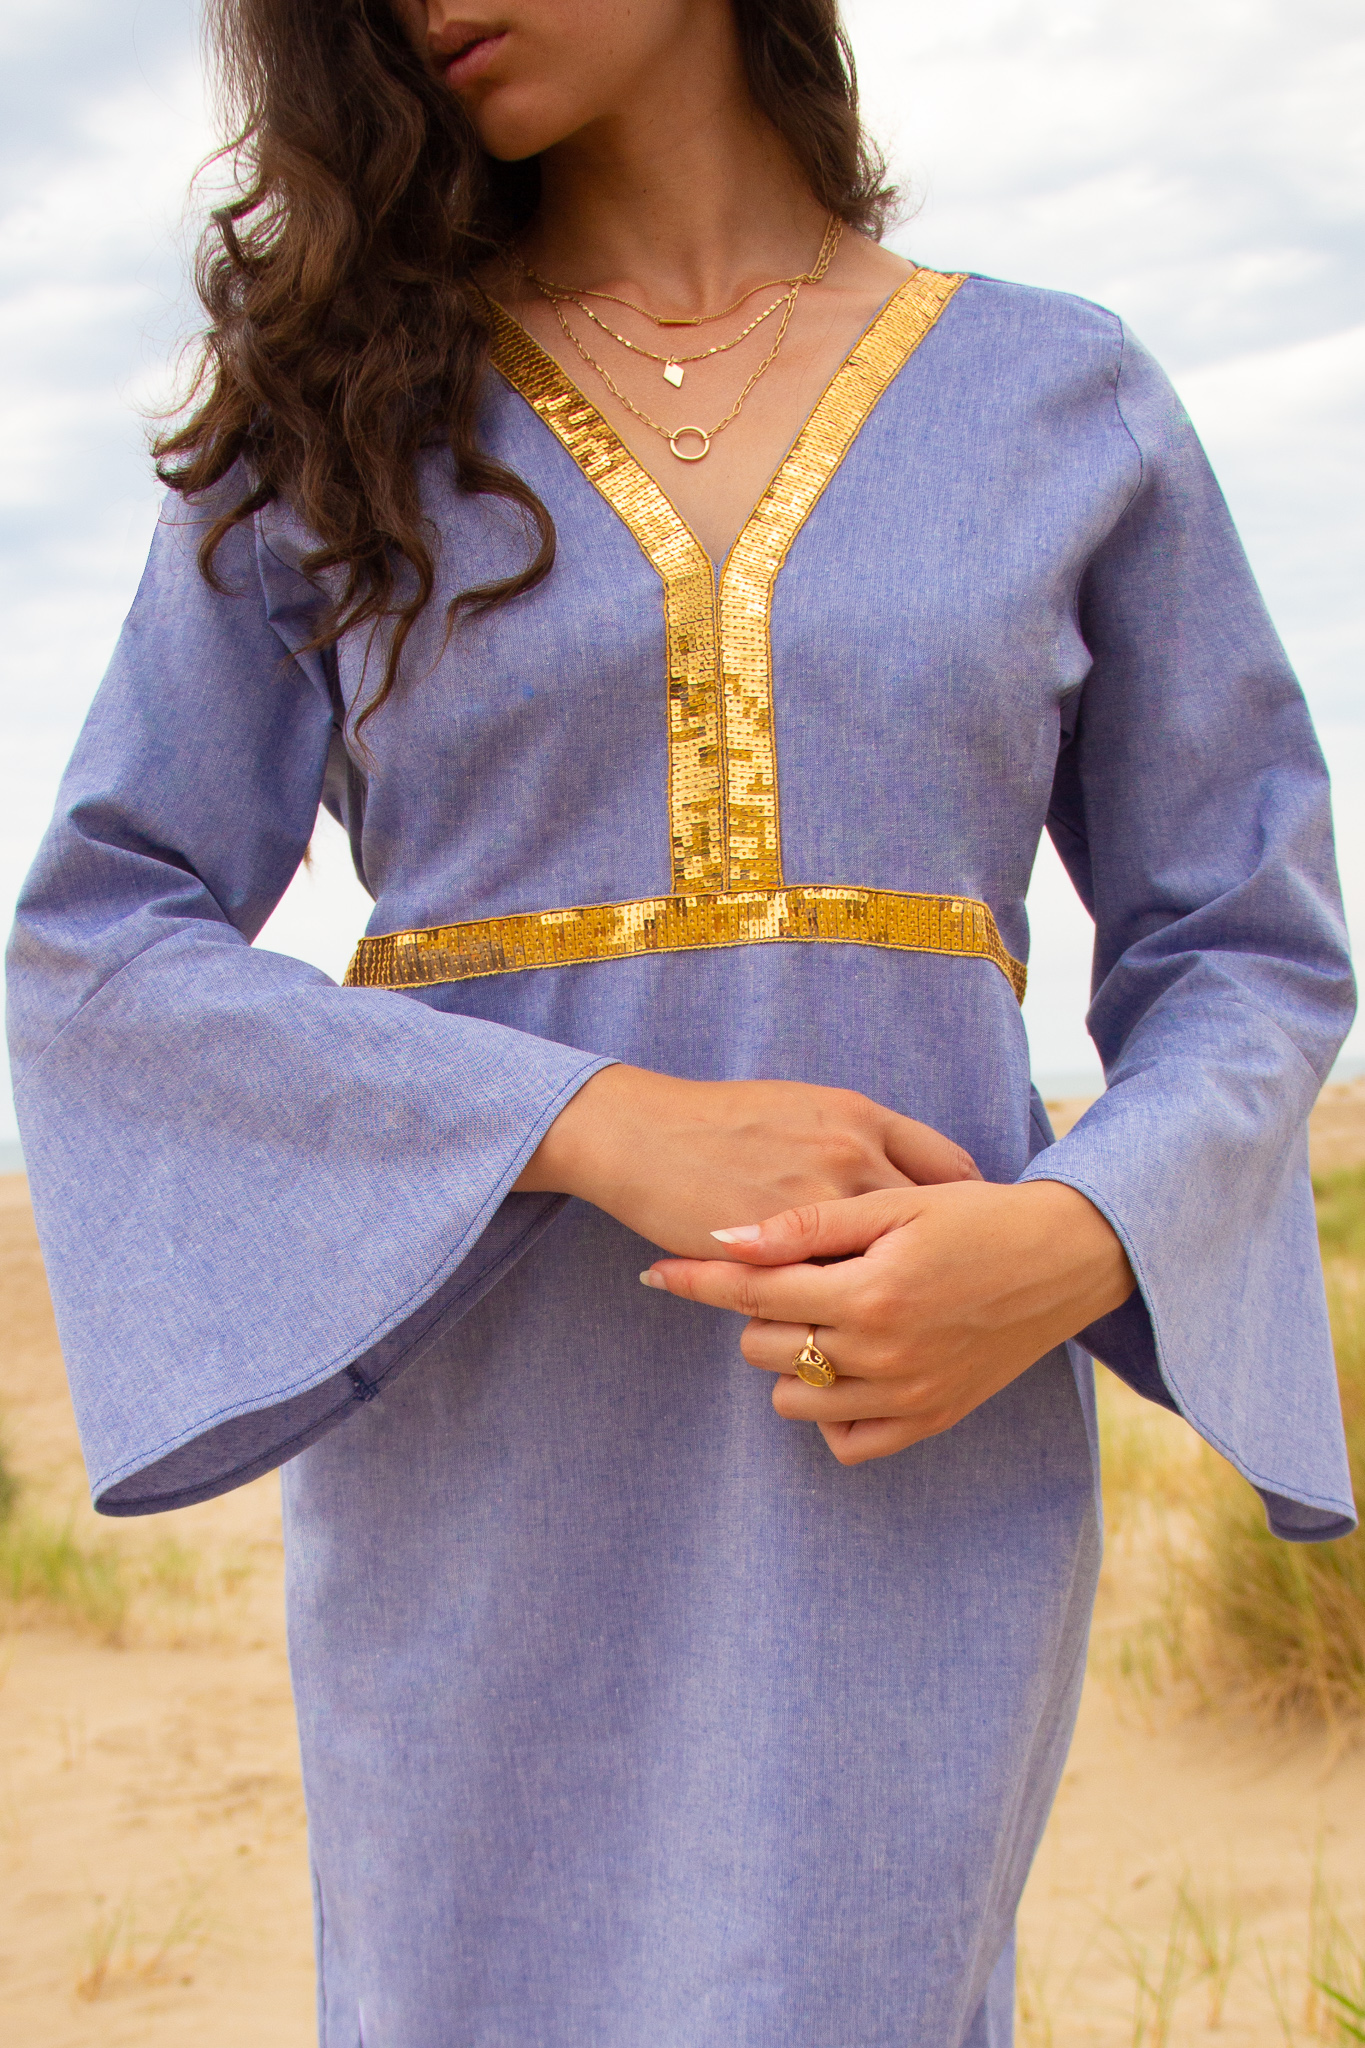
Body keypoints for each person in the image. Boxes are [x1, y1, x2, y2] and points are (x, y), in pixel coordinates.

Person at [6, 0, 1356, 2041]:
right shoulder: (333, 423)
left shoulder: (1060, 400)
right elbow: (100, 941)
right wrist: (596, 1119)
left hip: (902, 1441)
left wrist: (1071, 1237)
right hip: (486, 1483)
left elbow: (1244, 941)